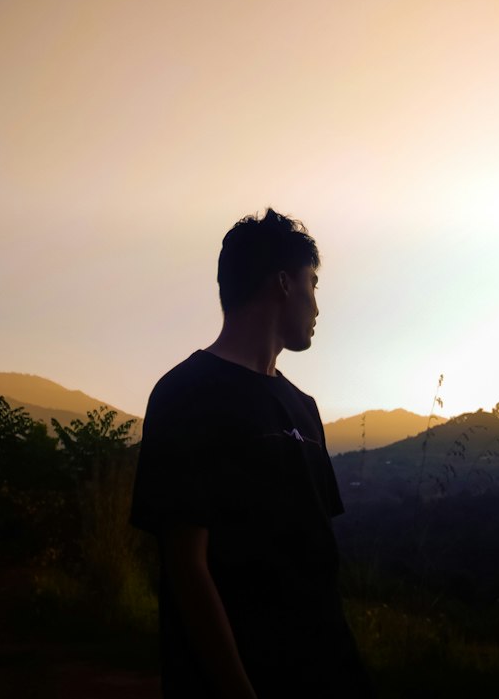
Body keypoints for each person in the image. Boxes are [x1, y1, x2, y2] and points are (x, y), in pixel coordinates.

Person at [130, 209, 371, 699]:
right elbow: (186, 567)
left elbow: (315, 562)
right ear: (283, 283)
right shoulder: (186, 394)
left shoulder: (302, 408)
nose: (317, 306)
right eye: (313, 283)